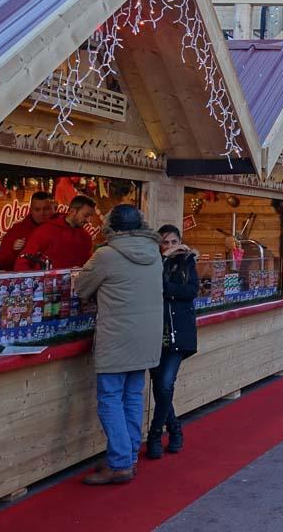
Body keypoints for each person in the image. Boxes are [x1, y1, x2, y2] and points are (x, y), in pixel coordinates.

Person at [75, 205, 163, 484]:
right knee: (133, 396)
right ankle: (128, 454)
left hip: (117, 337)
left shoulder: (106, 255)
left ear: (111, 226)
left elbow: (81, 288)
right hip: (146, 338)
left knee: (110, 398)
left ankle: (120, 462)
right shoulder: (154, 253)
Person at [146, 224, 199, 459]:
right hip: (153, 333)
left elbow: (191, 291)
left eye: (173, 242)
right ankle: (175, 428)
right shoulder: (152, 263)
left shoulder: (187, 262)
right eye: (164, 242)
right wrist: (164, 261)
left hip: (178, 333)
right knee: (160, 386)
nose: (169, 247)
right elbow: (149, 287)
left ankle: (155, 434)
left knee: (165, 384)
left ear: (181, 242)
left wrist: (167, 289)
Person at [19, 194, 96, 270]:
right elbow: (24, 260)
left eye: (91, 216)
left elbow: (87, 266)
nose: (88, 220)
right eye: (86, 215)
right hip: (46, 281)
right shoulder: (46, 230)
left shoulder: (86, 237)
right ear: (73, 211)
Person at [0, 191, 56, 270]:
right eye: (37, 210)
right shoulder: (17, 231)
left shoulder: (62, 229)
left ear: (54, 209)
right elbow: (1, 263)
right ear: (30, 210)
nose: (42, 213)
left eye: (46, 209)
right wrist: (13, 251)